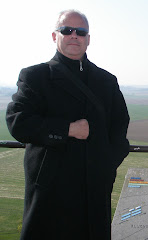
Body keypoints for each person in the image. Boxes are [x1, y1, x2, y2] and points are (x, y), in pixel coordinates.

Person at [6, 9, 130, 240]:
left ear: (88, 39)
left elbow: (120, 126)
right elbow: (18, 122)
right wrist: (67, 129)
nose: (74, 35)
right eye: (67, 30)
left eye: (81, 32)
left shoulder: (106, 81)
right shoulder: (35, 76)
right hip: (51, 189)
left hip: (94, 187)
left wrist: (107, 165)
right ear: (55, 36)